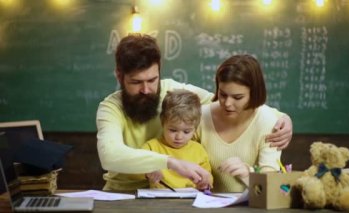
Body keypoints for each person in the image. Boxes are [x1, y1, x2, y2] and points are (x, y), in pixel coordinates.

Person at [96, 33, 292, 191]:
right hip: (121, 194)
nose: (146, 89)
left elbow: (221, 101)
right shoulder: (110, 108)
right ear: (119, 76)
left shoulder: (172, 91)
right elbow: (110, 155)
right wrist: (171, 163)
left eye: (152, 80)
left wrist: (281, 117)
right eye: (136, 82)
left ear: (160, 71)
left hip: (171, 193)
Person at [194, 54, 284, 192]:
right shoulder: (200, 117)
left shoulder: (268, 122)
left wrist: (249, 174)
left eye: (237, 97)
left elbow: (271, 187)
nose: (227, 104)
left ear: (254, 93)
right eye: (223, 94)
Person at [142, 89, 212, 190]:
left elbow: (207, 177)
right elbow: (134, 171)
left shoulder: (199, 150)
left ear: (195, 128)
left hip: (191, 202)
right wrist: (147, 172)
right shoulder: (151, 147)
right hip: (159, 202)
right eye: (173, 130)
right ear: (162, 122)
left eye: (186, 132)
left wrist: (205, 184)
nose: (179, 137)